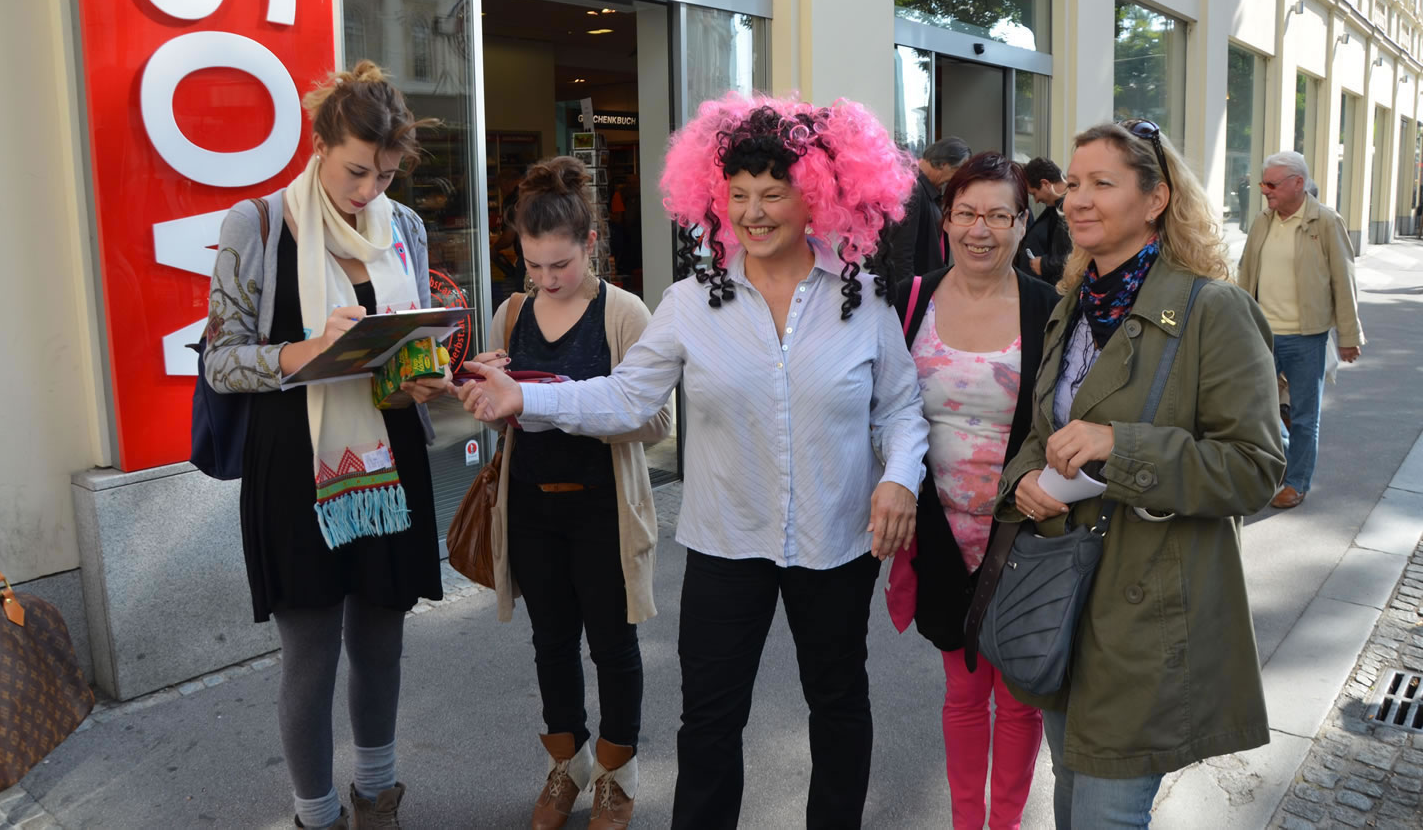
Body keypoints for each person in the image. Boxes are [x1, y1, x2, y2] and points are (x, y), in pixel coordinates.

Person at [457, 94, 930, 830]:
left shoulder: (861, 301)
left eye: (774, 193)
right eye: (738, 194)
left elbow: (900, 409)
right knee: (709, 725)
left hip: (836, 542)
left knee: (839, 704)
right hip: (723, 543)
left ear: (819, 199)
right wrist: (525, 398)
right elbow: (623, 398)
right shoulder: (688, 302)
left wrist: (900, 475)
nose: (754, 211)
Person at [998, 119, 1285, 830]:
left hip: (1151, 616)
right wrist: (1024, 481)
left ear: (1155, 199)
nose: (1077, 199)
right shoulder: (1074, 305)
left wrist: (1118, 446)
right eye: (1072, 182)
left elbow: (1255, 468)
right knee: (1068, 801)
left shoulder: (1213, 310)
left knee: (1103, 812)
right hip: (1067, 599)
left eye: (1103, 183)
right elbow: (1040, 433)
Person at [203, 61, 446, 829]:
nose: (369, 190)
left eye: (384, 173)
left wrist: (424, 369)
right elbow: (219, 357)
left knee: (382, 640)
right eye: (356, 170)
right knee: (310, 657)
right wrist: (305, 351)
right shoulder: (261, 224)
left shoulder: (402, 225)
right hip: (295, 467)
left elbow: (405, 342)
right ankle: (316, 814)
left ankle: (377, 797)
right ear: (320, 143)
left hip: (390, 451)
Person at [470, 156, 672, 830]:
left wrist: (562, 402)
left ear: (590, 244)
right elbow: (500, 415)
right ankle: (569, 762)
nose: (546, 278)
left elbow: (658, 420)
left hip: (602, 509)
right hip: (530, 506)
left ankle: (617, 774)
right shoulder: (510, 313)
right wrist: (485, 396)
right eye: (533, 264)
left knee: (612, 646)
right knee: (550, 642)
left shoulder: (624, 313)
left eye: (560, 263)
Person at [888, 152, 1057, 829]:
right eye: (966, 212)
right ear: (945, 218)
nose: (979, 228)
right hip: (940, 530)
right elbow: (884, 407)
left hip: (1026, 532)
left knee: (1018, 694)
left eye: (998, 214)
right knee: (961, 689)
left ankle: (1005, 822)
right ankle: (967, 822)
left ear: (1023, 224)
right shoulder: (911, 298)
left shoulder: (1051, 308)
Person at [1238, 150, 1364, 509]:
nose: (1264, 190)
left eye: (1271, 184)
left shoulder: (1325, 222)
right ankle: (1281, 465)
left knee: (1305, 416)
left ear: (1298, 183)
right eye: (1263, 183)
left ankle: (1297, 482)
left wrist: (1348, 337)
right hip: (1261, 334)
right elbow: (1246, 273)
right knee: (1253, 409)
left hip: (1306, 337)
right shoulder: (1262, 221)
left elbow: (1344, 280)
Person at [889, 136, 972, 279]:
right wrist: (908, 294)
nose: (955, 180)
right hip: (913, 291)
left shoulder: (923, 187)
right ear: (944, 165)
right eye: (957, 172)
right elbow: (901, 252)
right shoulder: (913, 188)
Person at [1018, 156, 1072, 285]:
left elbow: (1074, 257)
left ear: (1045, 184)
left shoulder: (1070, 208)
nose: (1036, 200)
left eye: (1034, 193)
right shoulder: (1056, 207)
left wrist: (1044, 265)